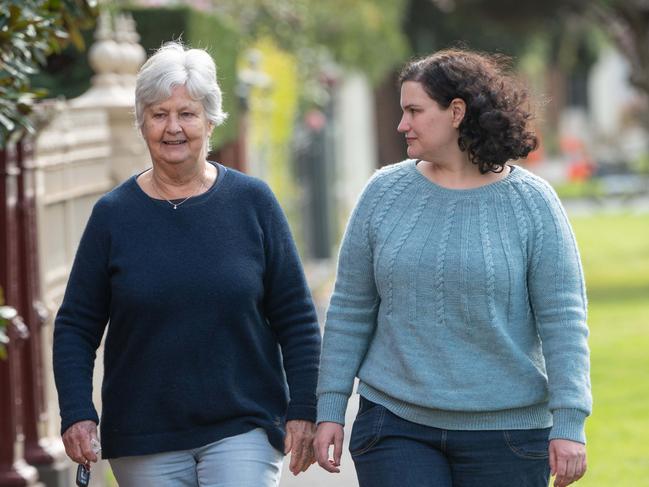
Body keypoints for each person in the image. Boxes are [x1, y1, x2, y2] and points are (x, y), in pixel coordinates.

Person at [314, 48, 591, 487]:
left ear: (456, 112)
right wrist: (330, 407)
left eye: (414, 111)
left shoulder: (533, 203)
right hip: (396, 423)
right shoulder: (383, 193)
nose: (402, 124)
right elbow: (350, 307)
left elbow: (563, 318)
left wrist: (570, 422)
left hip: (508, 432)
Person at [53, 41, 321, 487]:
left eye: (187, 113)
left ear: (211, 121)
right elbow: (76, 325)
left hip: (243, 425)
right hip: (144, 436)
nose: (172, 128)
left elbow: (296, 317)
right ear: (141, 123)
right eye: (158, 114)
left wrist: (304, 409)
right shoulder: (113, 215)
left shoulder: (253, 203)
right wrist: (77, 413)